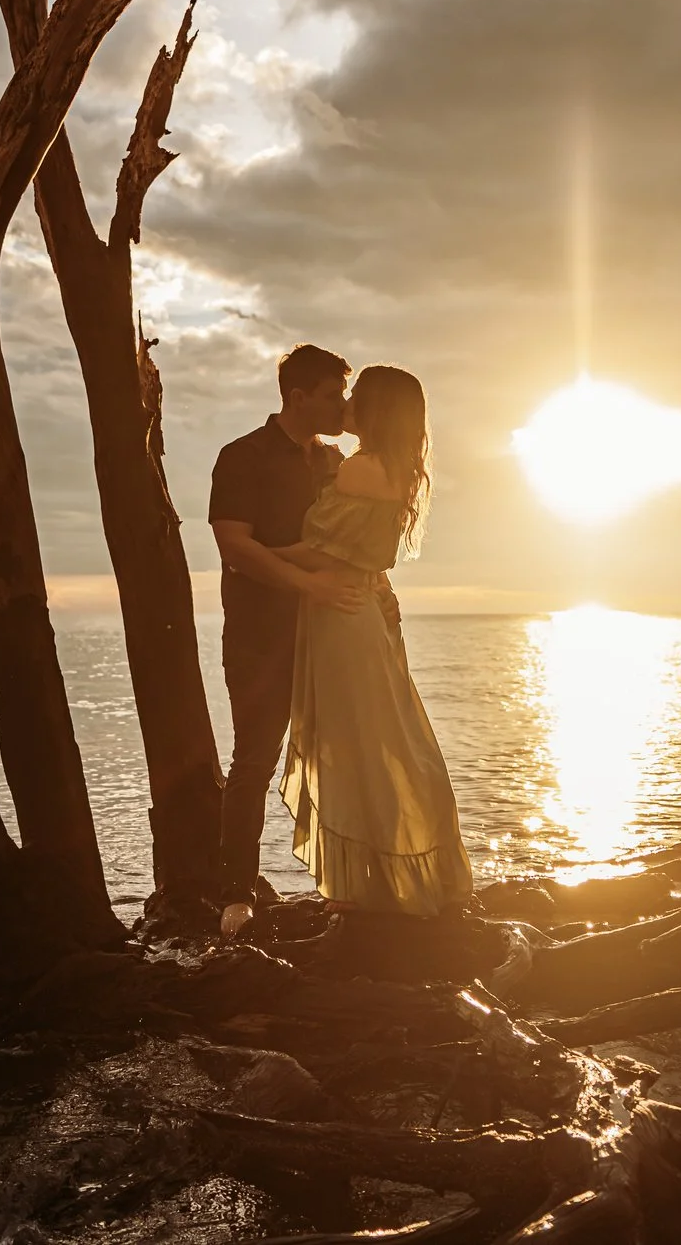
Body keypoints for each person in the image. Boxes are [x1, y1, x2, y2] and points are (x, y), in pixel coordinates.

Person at [270, 364, 476, 918]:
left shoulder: (361, 470)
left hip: (342, 615)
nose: (348, 404)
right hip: (358, 609)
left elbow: (322, 551)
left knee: (362, 746)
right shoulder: (391, 467)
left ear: (377, 409)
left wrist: (253, 556)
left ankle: (378, 884)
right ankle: (396, 876)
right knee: (386, 741)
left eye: (357, 396)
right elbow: (357, 551)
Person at [209, 344, 358, 936]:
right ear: (298, 398)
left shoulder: (335, 462)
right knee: (254, 763)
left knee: (343, 759)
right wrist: (306, 584)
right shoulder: (241, 456)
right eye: (332, 395)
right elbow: (233, 544)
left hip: (329, 636)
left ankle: (343, 886)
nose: (342, 406)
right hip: (259, 636)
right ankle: (236, 894)